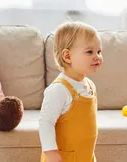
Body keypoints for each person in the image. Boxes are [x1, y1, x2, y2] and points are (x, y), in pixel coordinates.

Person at [39, 21, 103, 162]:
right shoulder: (59, 90)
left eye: (99, 51)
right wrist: (51, 153)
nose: (97, 56)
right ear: (68, 56)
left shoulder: (90, 86)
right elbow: (46, 122)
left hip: (85, 156)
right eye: (89, 51)